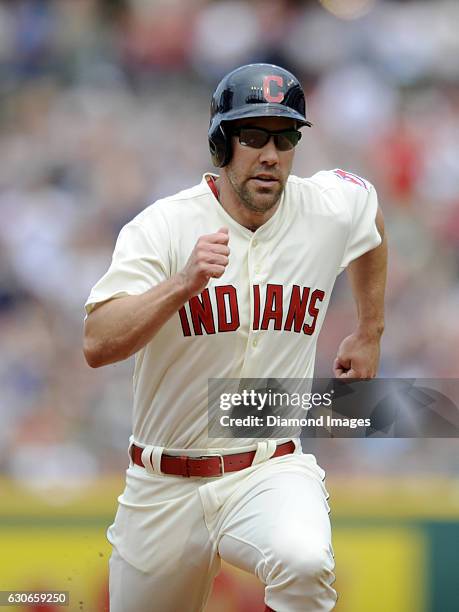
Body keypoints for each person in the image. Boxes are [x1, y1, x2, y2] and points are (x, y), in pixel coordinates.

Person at [83, 63, 387, 612]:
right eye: (252, 136)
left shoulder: (325, 207)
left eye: (285, 136)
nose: (270, 153)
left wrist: (370, 331)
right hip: (164, 481)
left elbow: (371, 215)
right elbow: (97, 342)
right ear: (220, 143)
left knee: (304, 562)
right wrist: (181, 284)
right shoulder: (164, 226)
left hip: (270, 467)